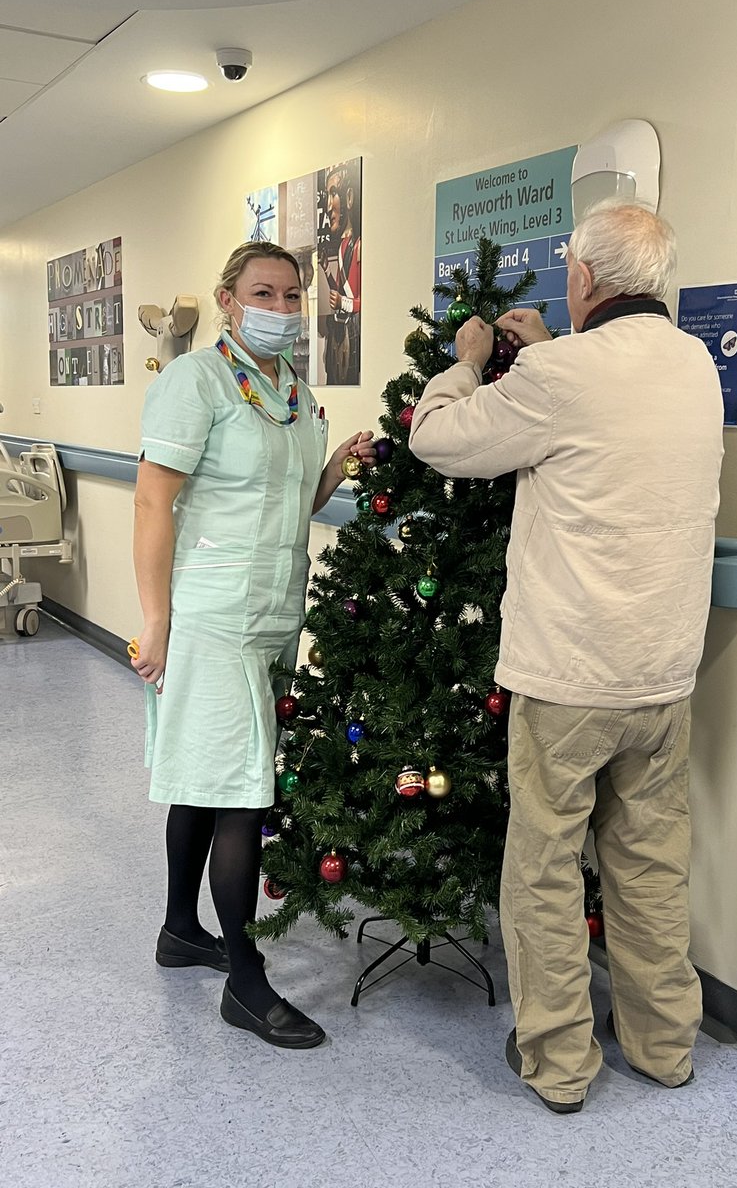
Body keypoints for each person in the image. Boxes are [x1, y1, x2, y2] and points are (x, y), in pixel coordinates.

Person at [408, 200, 724, 1112]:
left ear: (582, 276)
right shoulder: (693, 365)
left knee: (544, 868)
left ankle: (558, 1063)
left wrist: (466, 364)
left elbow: (439, 440)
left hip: (570, 679)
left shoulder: (559, 375)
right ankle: (664, 1047)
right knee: (650, 864)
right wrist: (550, 347)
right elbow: (605, 404)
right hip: (662, 675)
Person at [131, 240, 375, 1048]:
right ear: (228, 301)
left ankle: (180, 930)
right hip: (212, 615)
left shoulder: (295, 392)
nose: (280, 308)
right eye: (262, 293)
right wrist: (156, 620)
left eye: (291, 294)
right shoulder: (195, 382)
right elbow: (152, 503)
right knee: (242, 788)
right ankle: (245, 979)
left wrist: (334, 467)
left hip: (274, 612)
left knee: (208, 777)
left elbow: (291, 501)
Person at [319, 161, 361, 384]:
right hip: (339, 329)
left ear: (349, 197)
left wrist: (343, 302)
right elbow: (340, 289)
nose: (328, 206)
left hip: (351, 329)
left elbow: (359, 300)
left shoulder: (359, 246)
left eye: (333, 194)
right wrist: (327, 271)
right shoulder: (343, 246)